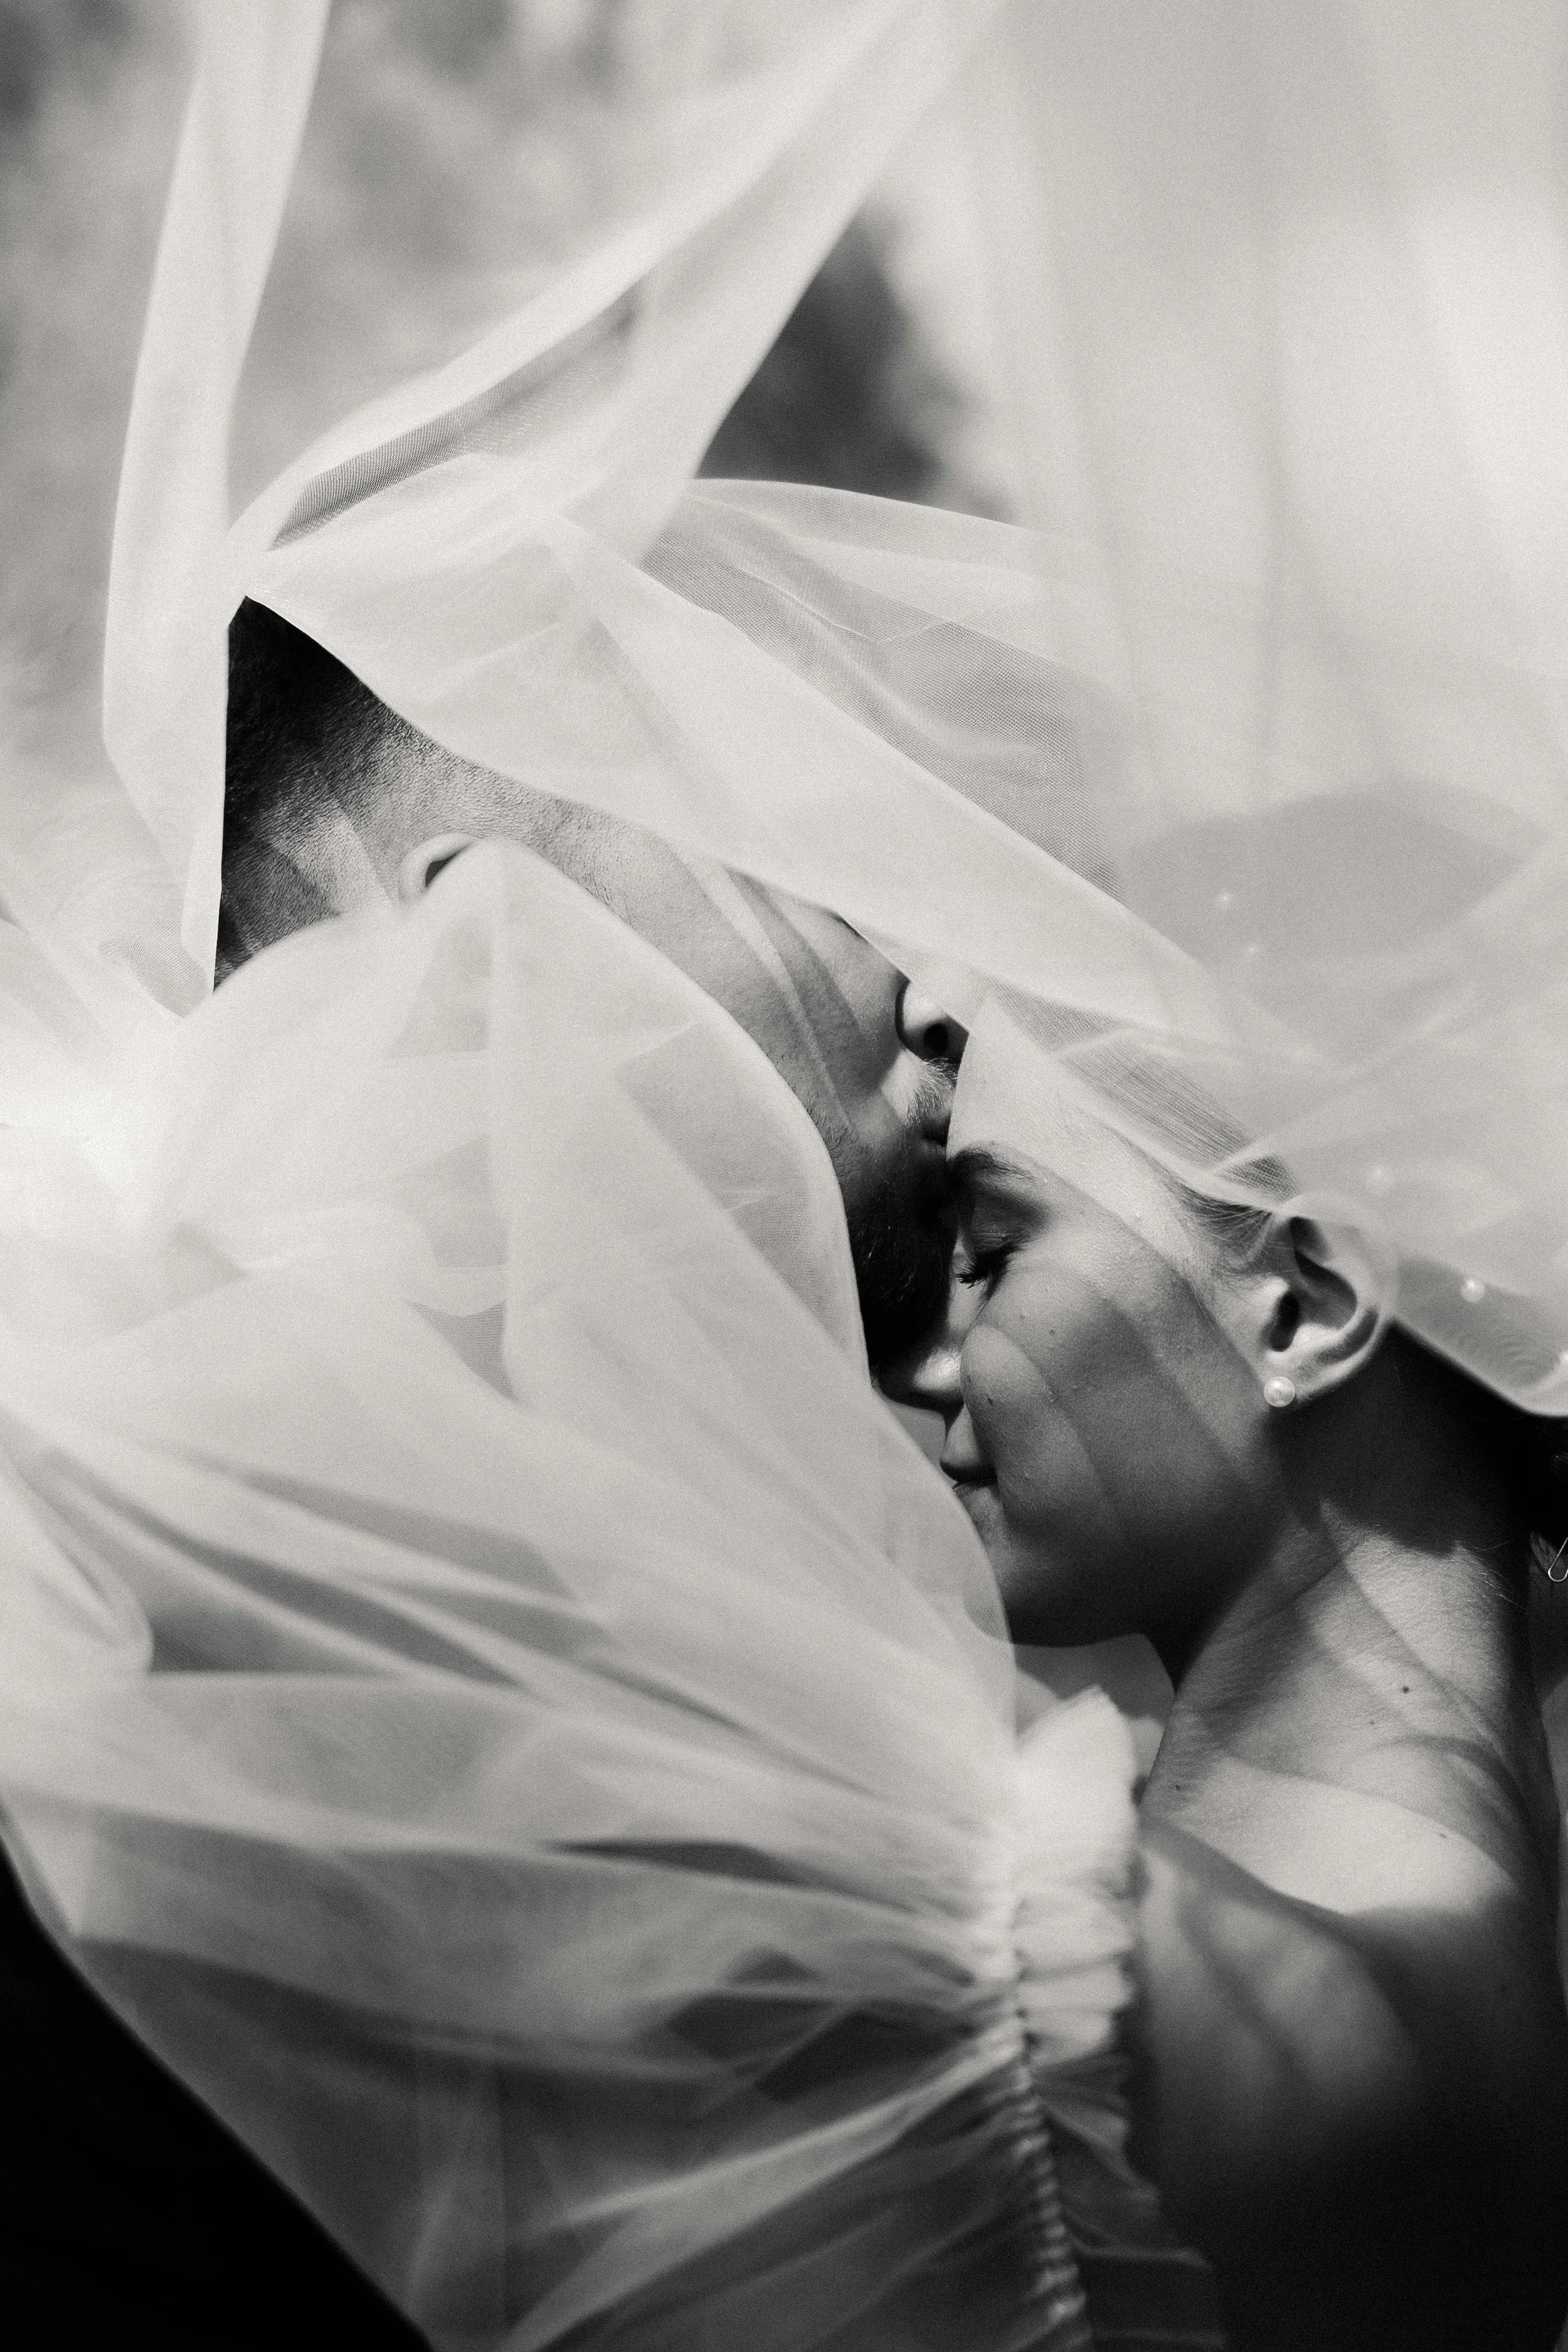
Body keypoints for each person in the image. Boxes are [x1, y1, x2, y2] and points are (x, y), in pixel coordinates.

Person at [896, 999, 1568, 2351]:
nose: (925, 1366)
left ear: (1302, 1307)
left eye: (992, 1250)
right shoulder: (1451, 1911)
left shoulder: (1191, 1972)